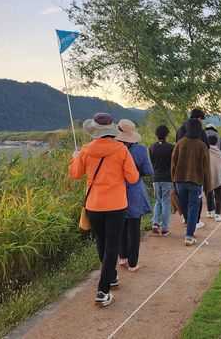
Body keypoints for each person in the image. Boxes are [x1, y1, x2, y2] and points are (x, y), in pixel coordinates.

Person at [69, 112, 139, 307]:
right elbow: (133, 178)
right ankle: (103, 290)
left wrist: (75, 158)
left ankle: (112, 277)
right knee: (112, 245)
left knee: (101, 242)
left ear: (94, 130)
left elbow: (75, 174)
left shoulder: (85, 150)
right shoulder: (121, 150)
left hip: (94, 204)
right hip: (116, 204)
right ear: (111, 129)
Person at [115, 119, 153, 272]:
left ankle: (122, 258)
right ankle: (133, 263)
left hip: (117, 189)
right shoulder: (140, 150)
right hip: (134, 189)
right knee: (134, 227)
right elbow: (149, 171)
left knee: (121, 225)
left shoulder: (115, 149)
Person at [172, 119, 212, 246]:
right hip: (195, 181)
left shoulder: (180, 143)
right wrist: (208, 186)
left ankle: (190, 230)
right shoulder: (202, 145)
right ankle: (189, 235)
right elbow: (206, 168)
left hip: (179, 180)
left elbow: (173, 164)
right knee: (193, 207)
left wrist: (173, 180)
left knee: (185, 207)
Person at [149, 125, 174, 236]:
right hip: (167, 178)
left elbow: (150, 163)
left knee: (158, 201)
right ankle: (164, 228)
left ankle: (155, 223)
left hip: (156, 178)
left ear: (156, 134)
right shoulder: (171, 148)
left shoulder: (152, 147)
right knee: (166, 202)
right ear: (167, 134)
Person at [206, 134, 221, 221]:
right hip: (218, 177)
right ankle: (218, 214)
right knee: (218, 195)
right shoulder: (219, 153)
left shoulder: (205, 151)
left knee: (208, 194)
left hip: (208, 177)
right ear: (216, 142)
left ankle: (209, 211)